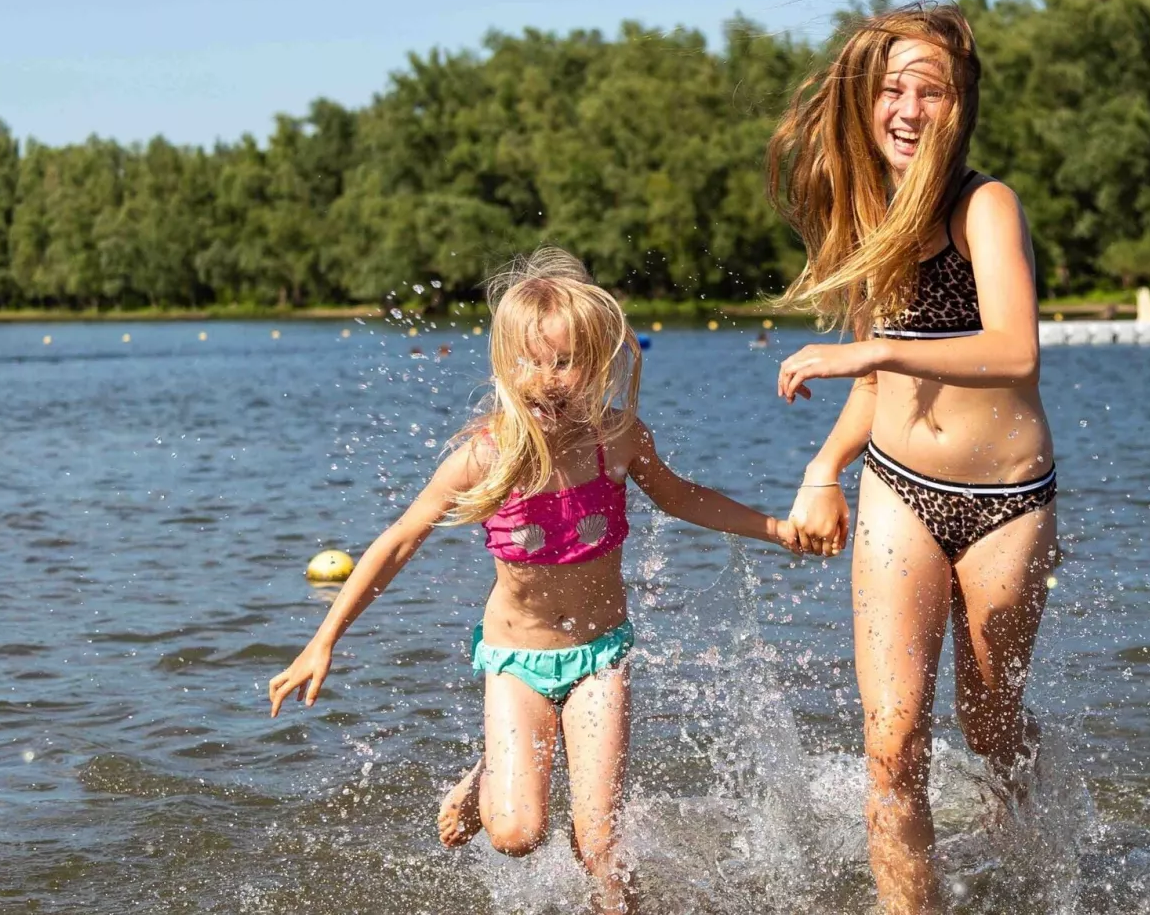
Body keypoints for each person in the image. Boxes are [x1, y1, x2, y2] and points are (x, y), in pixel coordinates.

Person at [268, 247, 801, 914]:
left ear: (598, 361)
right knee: (518, 835)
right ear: (503, 365)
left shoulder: (619, 438)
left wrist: (777, 528)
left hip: (600, 656)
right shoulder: (484, 456)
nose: (547, 380)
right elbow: (400, 540)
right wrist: (324, 641)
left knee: (601, 844)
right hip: (517, 663)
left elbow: (683, 497)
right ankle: (489, 772)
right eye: (529, 361)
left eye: (565, 361)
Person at [766, 0, 1057, 914]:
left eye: (927, 91)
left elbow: (1015, 351)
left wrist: (877, 350)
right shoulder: (867, 217)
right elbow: (871, 389)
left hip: (1008, 502)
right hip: (900, 489)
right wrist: (824, 468)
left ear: (957, 106)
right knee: (892, 738)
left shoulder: (986, 206)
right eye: (891, 88)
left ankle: (1044, 871)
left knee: (990, 722)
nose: (905, 107)